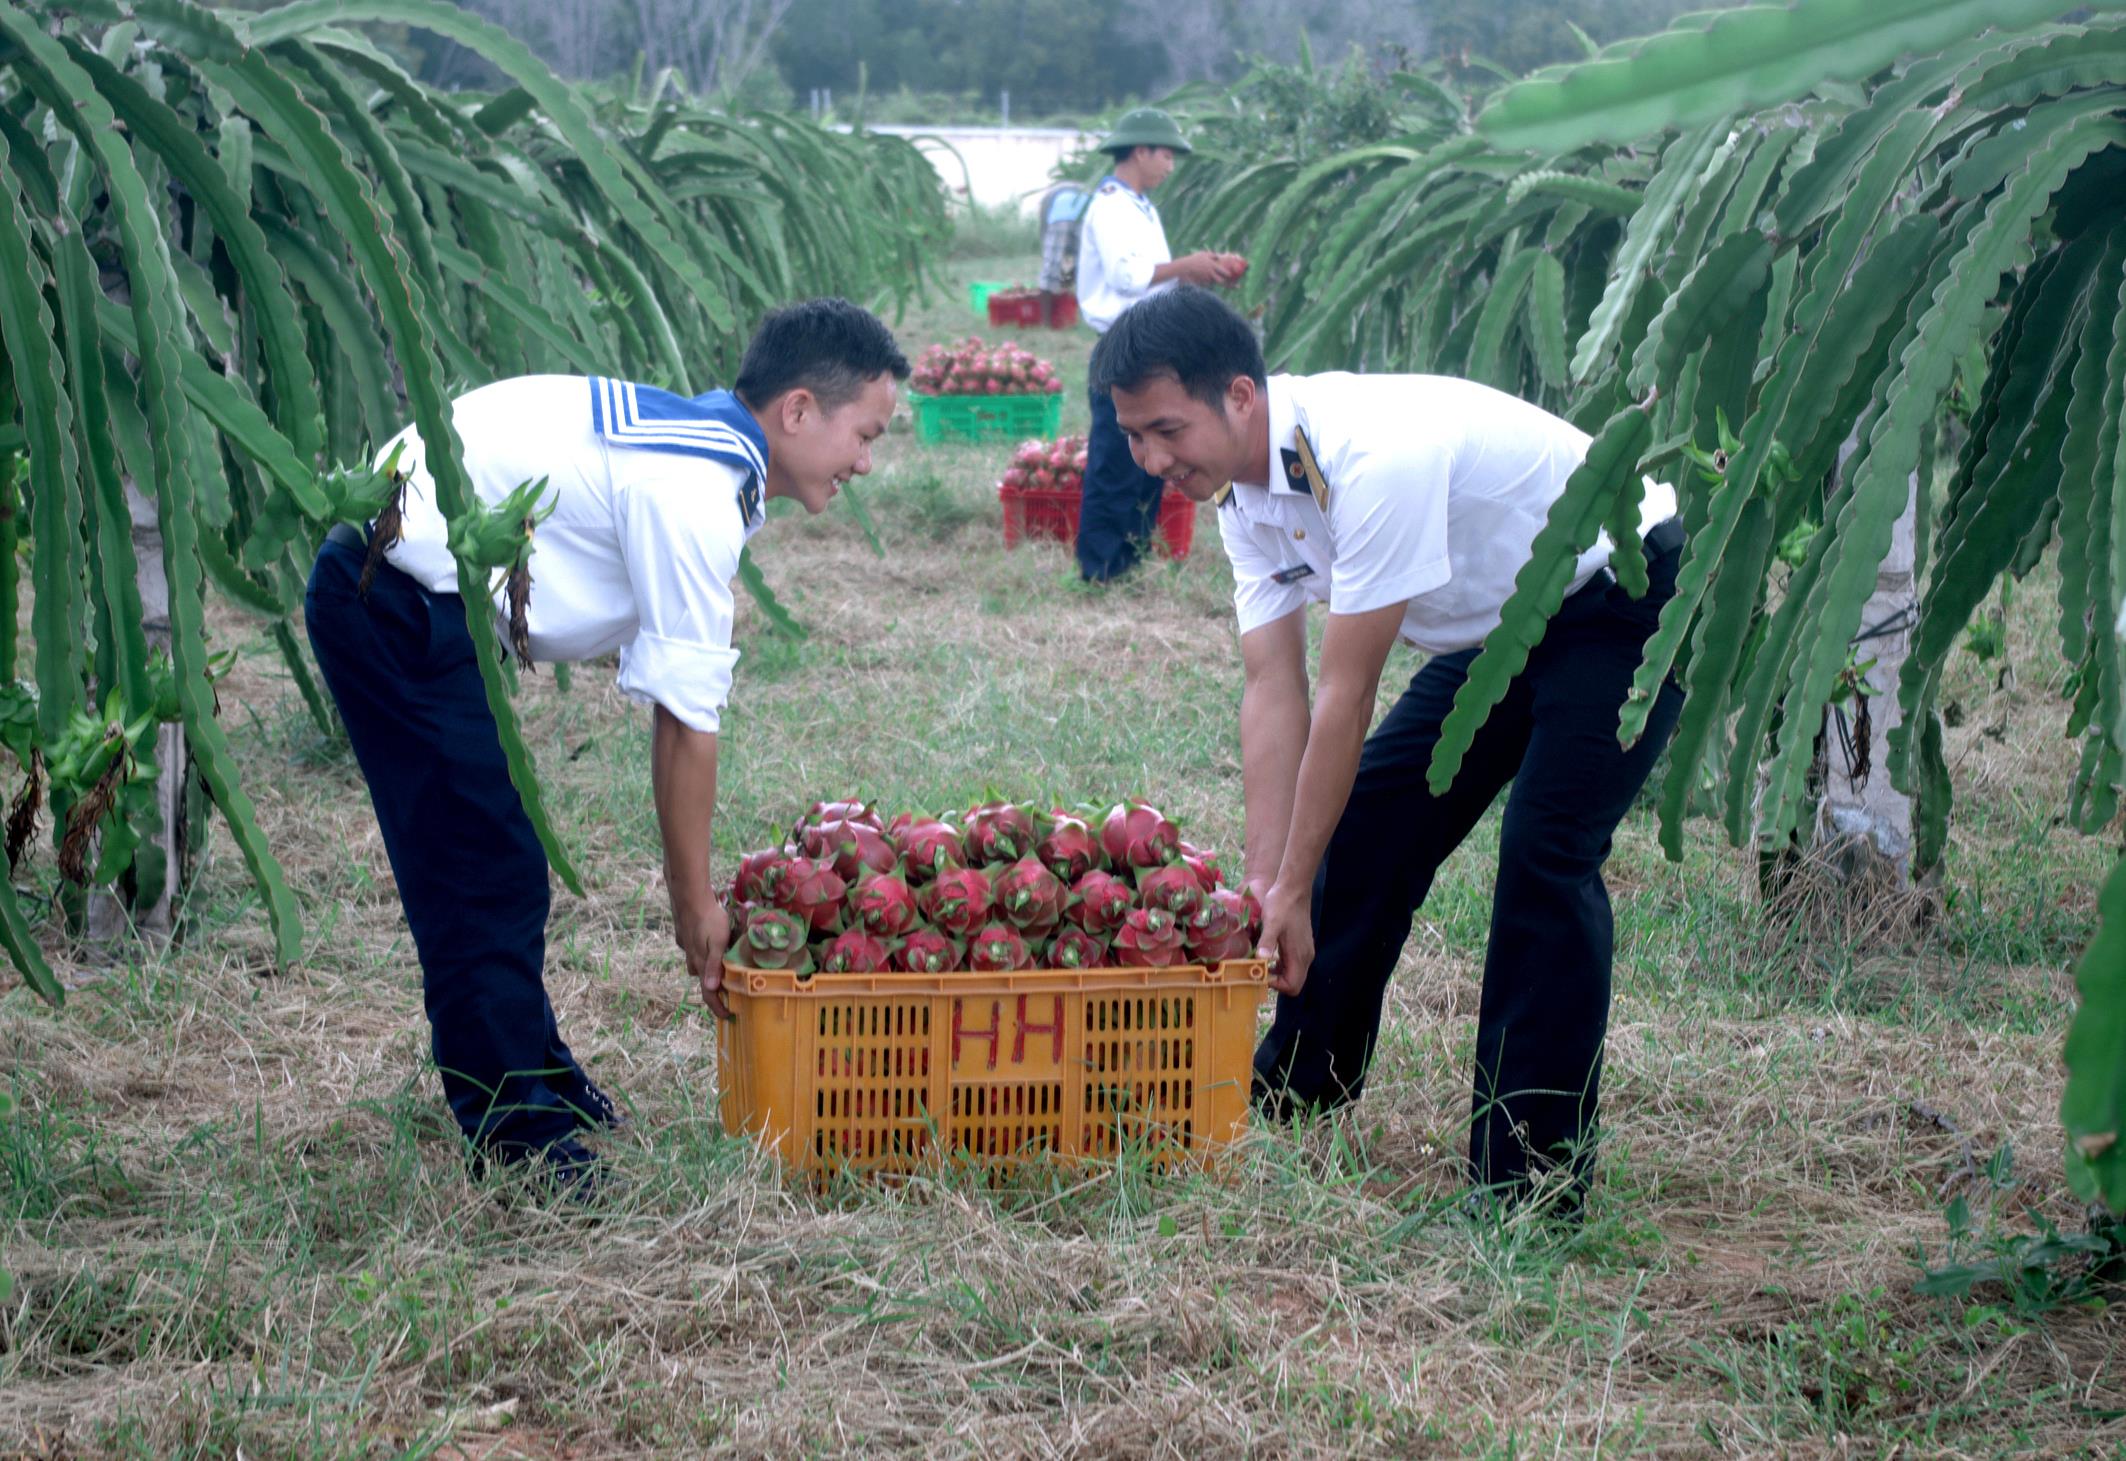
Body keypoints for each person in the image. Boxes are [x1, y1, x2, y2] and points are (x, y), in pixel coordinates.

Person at [1089, 286, 1685, 1213]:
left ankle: (1530, 1181)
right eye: (1133, 436)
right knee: (1367, 822)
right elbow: (1272, 688)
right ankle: (1297, 1092)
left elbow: (1345, 693)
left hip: (1623, 591)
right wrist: (1268, 885)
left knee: (1546, 850)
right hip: (1507, 624)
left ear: (1239, 395)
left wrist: (1296, 883)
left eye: (1168, 430)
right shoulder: (1245, 496)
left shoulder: (1372, 454)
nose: (1153, 460)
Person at [304, 298, 908, 1193]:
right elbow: (686, 720)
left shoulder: (701, 454)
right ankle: (519, 1141)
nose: (866, 461)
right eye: (865, 434)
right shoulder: (692, 487)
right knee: (481, 866)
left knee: (494, 857)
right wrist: (693, 905)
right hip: (386, 593)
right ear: (797, 410)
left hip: (414, 591)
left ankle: (539, 1078)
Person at [1072, 107, 1246, 581]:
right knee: (1116, 458)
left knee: (1152, 456)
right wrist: (1185, 266)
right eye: (1166, 155)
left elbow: (1153, 278)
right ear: (1140, 151)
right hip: (1121, 344)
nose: (1170, 166)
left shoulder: (1139, 207)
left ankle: (1132, 554)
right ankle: (1101, 567)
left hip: (1147, 341)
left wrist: (1202, 269)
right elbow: (1127, 277)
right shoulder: (1111, 206)